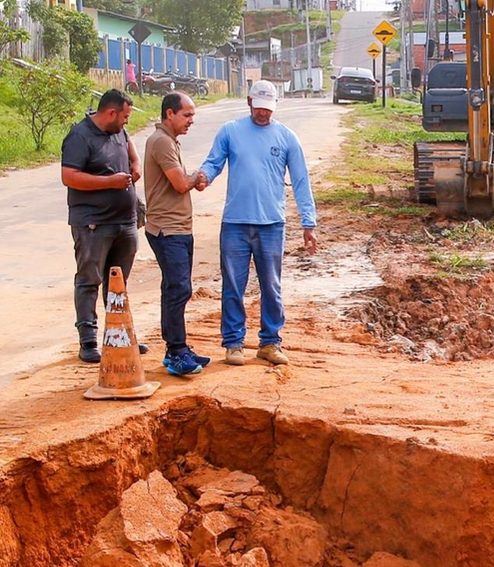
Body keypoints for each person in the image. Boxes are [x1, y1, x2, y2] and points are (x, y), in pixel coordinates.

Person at [196, 79, 317, 366]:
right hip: (235, 223)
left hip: (271, 224)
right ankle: (234, 343)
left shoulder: (287, 137)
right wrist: (204, 176)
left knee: (271, 286)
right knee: (233, 286)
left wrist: (308, 223)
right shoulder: (231, 131)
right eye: (259, 108)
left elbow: (301, 181)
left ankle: (270, 341)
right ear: (249, 102)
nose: (264, 114)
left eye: (269, 109)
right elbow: (214, 162)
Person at [61, 89, 146, 363]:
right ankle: (88, 341)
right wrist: (109, 182)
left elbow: (133, 155)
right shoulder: (80, 136)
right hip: (93, 224)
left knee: (118, 283)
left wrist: (135, 167)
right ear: (111, 113)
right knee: (90, 280)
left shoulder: (119, 132)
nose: (126, 122)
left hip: (124, 221)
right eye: (125, 116)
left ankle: (118, 335)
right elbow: (69, 177)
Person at [143, 91, 211, 377]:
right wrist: (197, 177)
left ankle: (176, 350)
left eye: (193, 115)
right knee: (178, 289)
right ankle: (176, 350)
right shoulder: (161, 142)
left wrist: (192, 179)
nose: (191, 121)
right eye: (187, 115)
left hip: (177, 228)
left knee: (175, 289)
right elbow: (181, 183)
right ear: (169, 114)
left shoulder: (168, 141)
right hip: (167, 229)